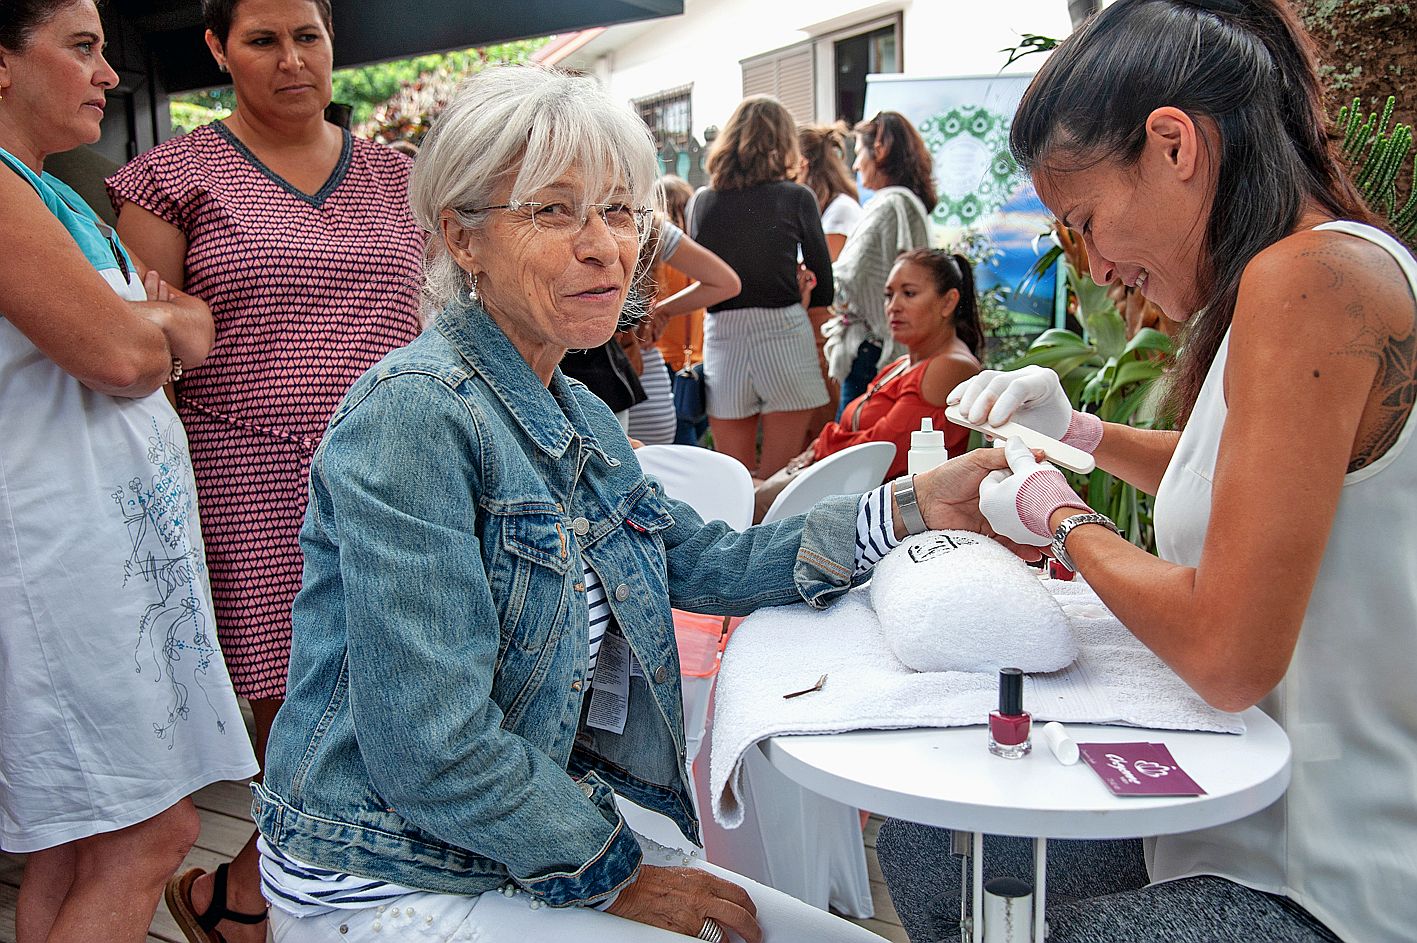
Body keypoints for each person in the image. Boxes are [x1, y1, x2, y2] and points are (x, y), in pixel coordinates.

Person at [249, 64, 1016, 943]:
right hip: (385, 866)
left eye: (619, 211)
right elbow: (433, 747)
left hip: (520, 827)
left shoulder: (576, 411)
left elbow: (700, 557)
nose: (603, 245)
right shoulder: (414, 416)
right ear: (462, 239)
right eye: (553, 209)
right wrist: (616, 876)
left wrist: (911, 506)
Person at [883, 2, 1417, 941]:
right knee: (931, 844)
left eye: (1086, 221)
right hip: (1243, 819)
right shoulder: (1307, 270)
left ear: (1173, 144)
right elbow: (1261, 481)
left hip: (1321, 876)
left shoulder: (1306, 282)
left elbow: (1225, 656)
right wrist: (1077, 431)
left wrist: (1057, 516)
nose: (1096, 266)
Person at [105, 1, 425, 939]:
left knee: (399, 697)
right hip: (248, 474)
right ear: (217, 50)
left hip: (400, 470)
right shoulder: (171, 178)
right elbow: (138, 359)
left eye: (308, 36)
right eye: (262, 40)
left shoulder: (400, 177)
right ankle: (271, 902)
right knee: (309, 711)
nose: (292, 60)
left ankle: (246, 890)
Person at [0, 2, 258, 940]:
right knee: (154, 833)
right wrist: (153, 330)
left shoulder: (53, 196)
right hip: (60, 567)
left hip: (98, 560)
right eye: (80, 49)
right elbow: (125, 357)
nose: (109, 74)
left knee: (73, 846)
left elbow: (185, 324)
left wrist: (160, 329)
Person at [754, 249, 983, 520]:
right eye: (889, 295)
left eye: (909, 293)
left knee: (750, 505)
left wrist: (818, 450)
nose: (893, 306)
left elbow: (880, 449)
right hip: (843, 485)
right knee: (745, 494)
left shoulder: (950, 366)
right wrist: (815, 452)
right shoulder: (901, 364)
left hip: (879, 509)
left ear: (948, 302)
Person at [689, 95, 834, 478]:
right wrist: (799, 290)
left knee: (733, 477)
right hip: (784, 329)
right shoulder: (797, 197)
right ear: (785, 142)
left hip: (723, 335)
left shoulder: (703, 201)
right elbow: (825, 285)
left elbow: (703, 275)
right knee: (780, 478)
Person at [822, 110, 936, 417]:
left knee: (852, 447)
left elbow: (850, 280)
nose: (857, 165)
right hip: (890, 348)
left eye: (860, 153)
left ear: (880, 150)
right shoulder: (908, 202)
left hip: (871, 351)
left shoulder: (887, 204)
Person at [625, 210, 740, 445]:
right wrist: (660, 311)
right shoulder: (650, 225)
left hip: (619, 379)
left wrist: (658, 311)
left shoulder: (649, 226)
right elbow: (726, 283)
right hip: (652, 379)